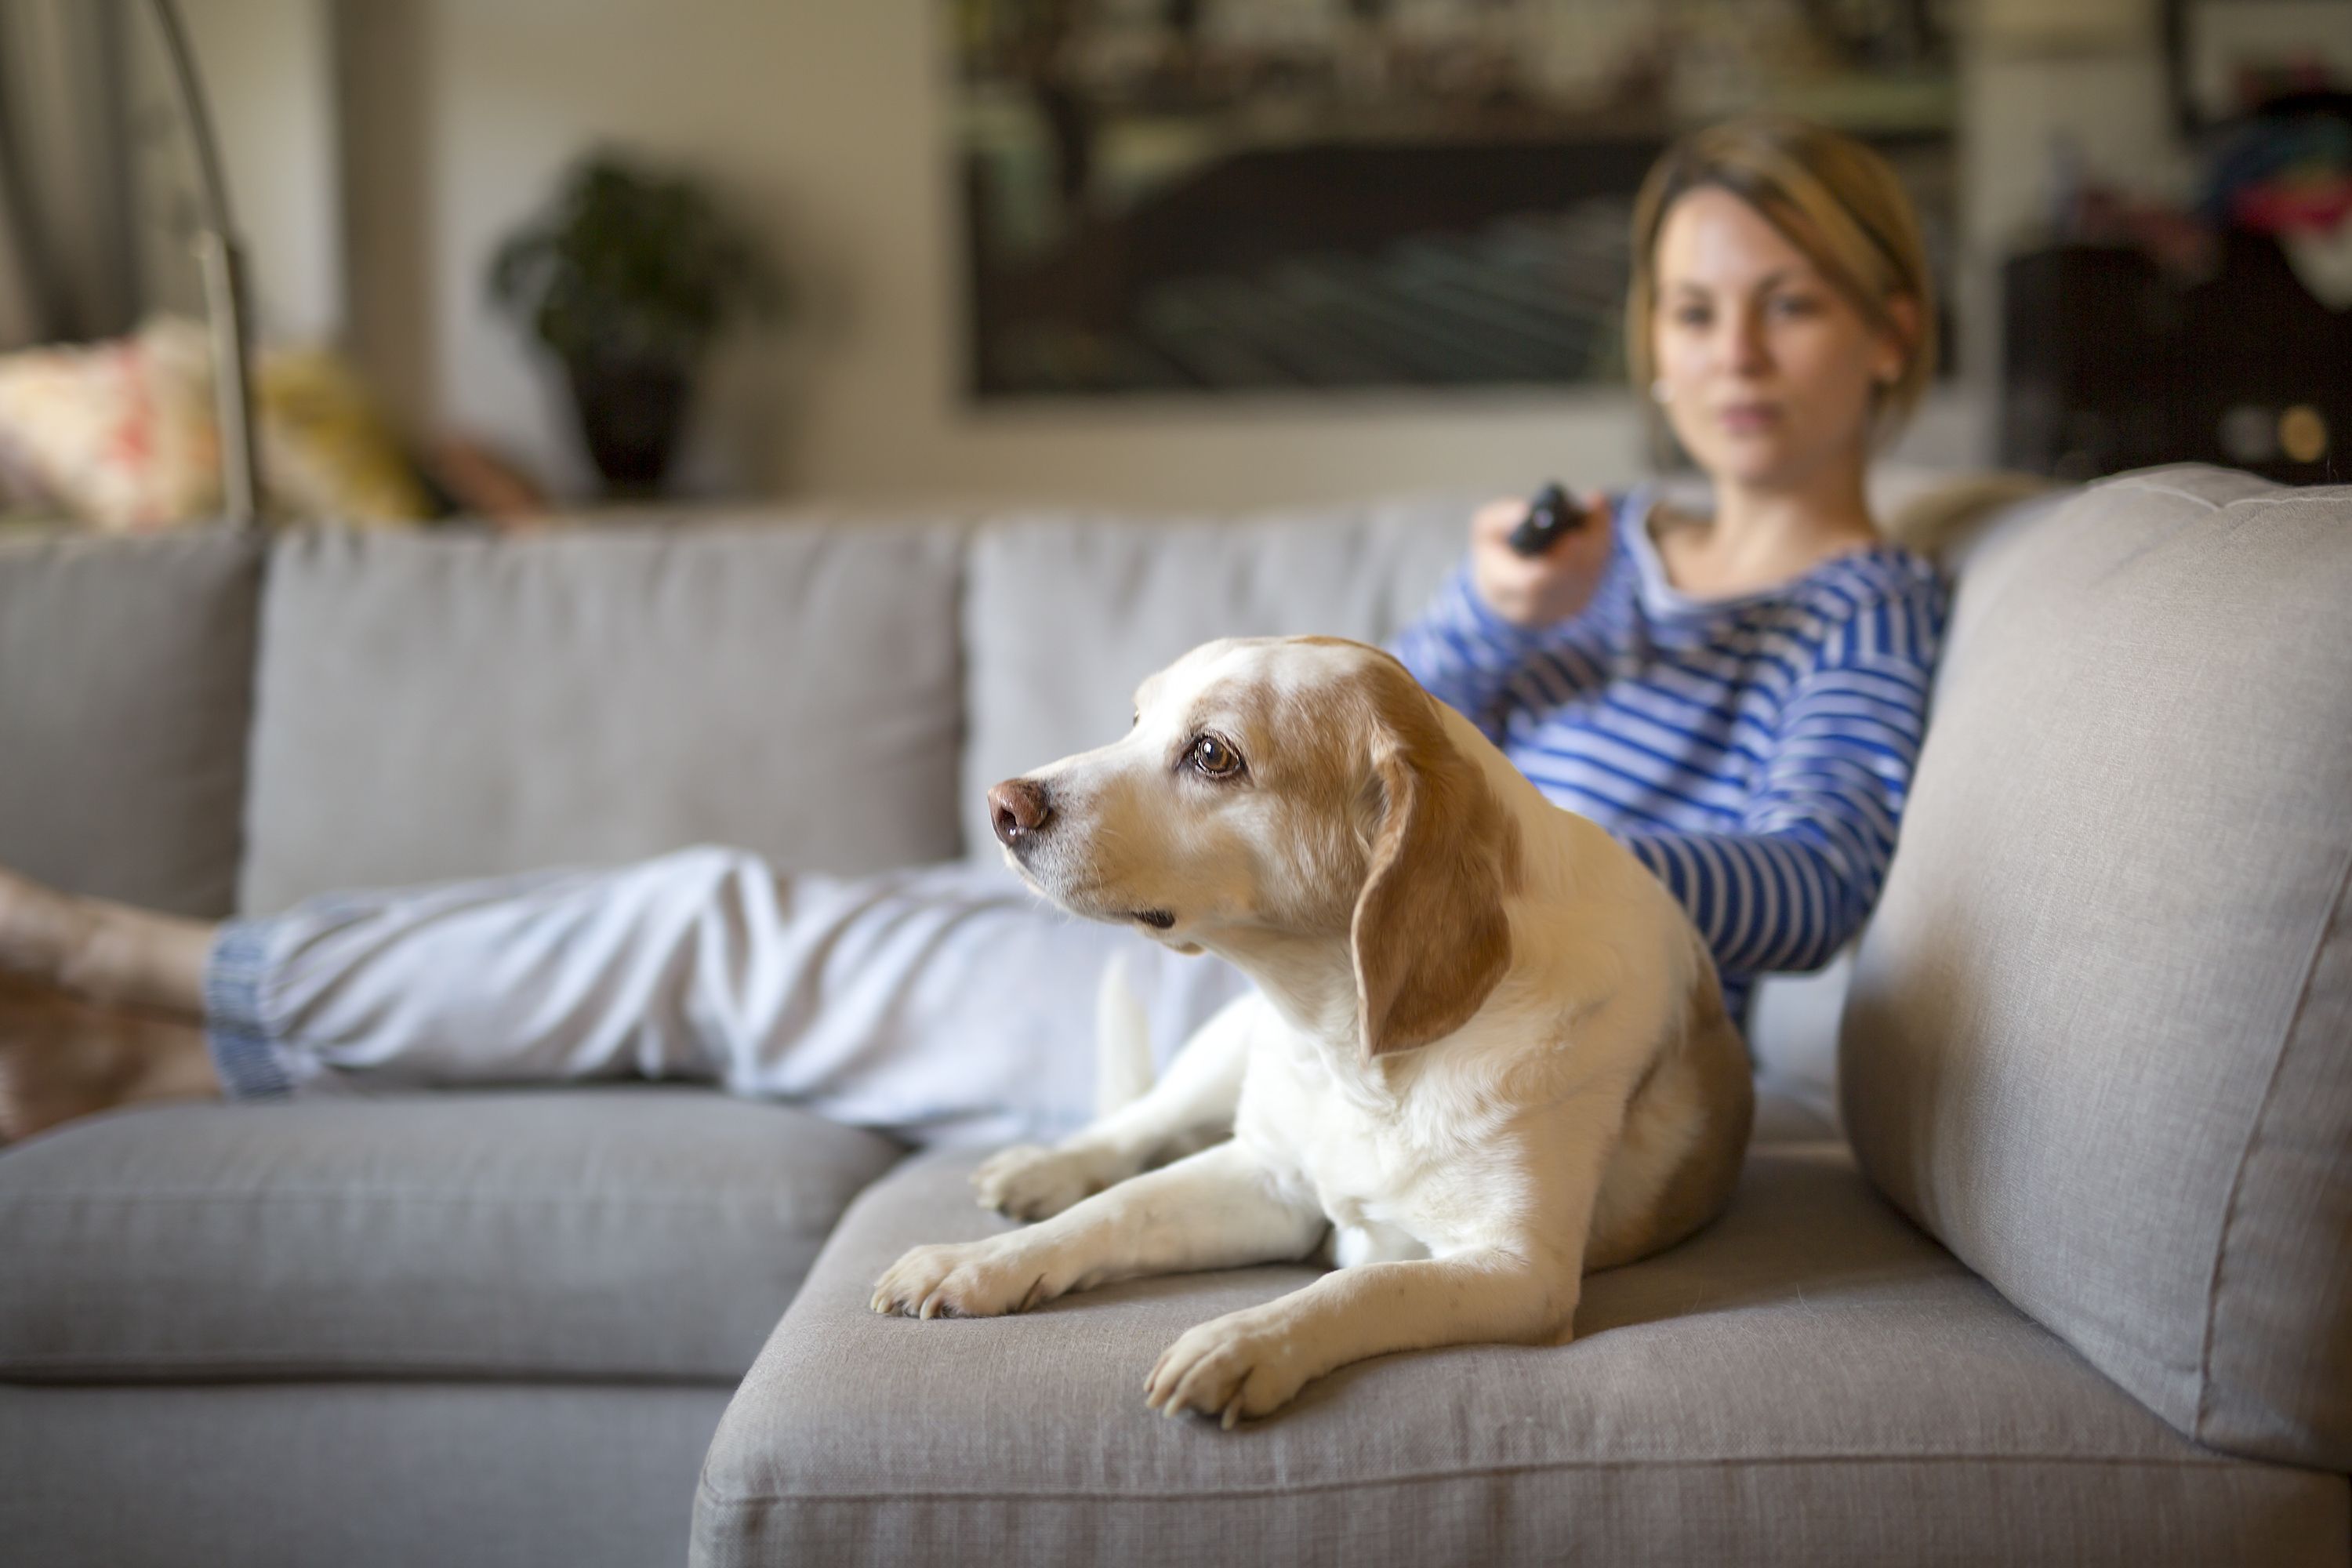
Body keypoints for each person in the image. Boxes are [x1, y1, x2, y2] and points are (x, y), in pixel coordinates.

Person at [0, 114, 1946, 1149]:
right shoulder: (1586, 553)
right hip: (1252, 940)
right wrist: (1487, 621)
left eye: (1787, 303)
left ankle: (142, 964)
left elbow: (1819, 881)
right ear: (1649, 339)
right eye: (1695, 310)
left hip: (1404, 1026)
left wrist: (1501, 850)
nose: (1735, 354)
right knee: (741, 927)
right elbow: (1360, 754)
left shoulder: (1864, 608)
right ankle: (149, 1072)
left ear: (1888, 332)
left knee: (709, 933)